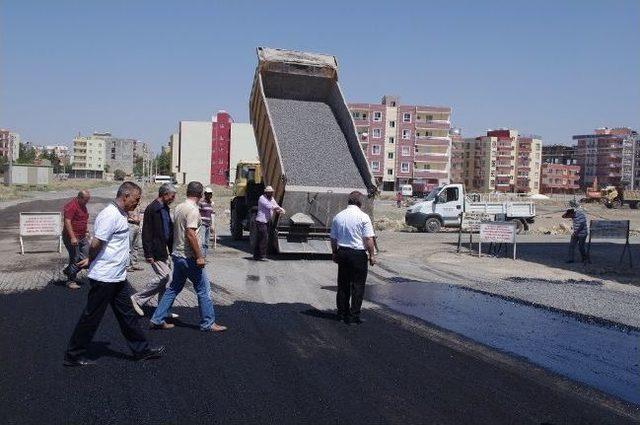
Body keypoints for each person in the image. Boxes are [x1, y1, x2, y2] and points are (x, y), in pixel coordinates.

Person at [63, 182, 164, 366]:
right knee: (91, 317)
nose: (137, 202)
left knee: (128, 315)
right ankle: (73, 355)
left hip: (116, 277)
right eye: (136, 198)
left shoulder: (121, 213)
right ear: (125, 196)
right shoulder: (109, 215)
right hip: (104, 278)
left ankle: (141, 351)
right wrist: (91, 260)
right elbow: (95, 244)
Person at [149, 181, 227, 332]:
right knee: (204, 289)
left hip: (177, 255)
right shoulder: (192, 210)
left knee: (173, 288)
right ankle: (208, 323)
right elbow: (191, 234)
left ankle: (157, 318)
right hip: (189, 257)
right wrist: (199, 256)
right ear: (200, 194)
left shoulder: (179, 207)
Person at [130, 183, 178, 317]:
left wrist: (172, 249)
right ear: (164, 194)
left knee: (166, 281)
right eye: (172, 196)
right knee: (167, 276)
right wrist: (148, 253)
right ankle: (137, 299)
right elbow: (146, 232)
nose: (173, 199)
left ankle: (163, 310)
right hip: (155, 250)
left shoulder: (165, 208)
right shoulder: (153, 208)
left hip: (164, 250)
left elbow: (168, 230)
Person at [330, 191, 376, 324]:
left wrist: (334, 253)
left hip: (343, 253)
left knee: (343, 284)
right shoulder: (363, 217)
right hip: (358, 254)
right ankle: (354, 315)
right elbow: (368, 238)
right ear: (360, 203)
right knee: (358, 285)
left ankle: (341, 313)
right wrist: (372, 255)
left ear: (348, 202)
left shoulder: (338, 217)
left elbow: (333, 238)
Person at [62, 190, 91, 290]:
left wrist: (86, 231)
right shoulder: (71, 206)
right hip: (72, 237)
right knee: (75, 258)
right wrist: (72, 237)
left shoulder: (83, 206)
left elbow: (83, 219)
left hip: (82, 236)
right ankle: (70, 280)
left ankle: (68, 270)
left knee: (87, 258)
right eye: (86, 200)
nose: (87, 202)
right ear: (80, 197)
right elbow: (67, 221)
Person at [253, 185, 285, 261]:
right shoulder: (262, 198)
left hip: (267, 221)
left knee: (260, 238)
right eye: (269, 192)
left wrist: (280, 209)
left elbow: (275, 205)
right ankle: (262, 255)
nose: (271, 194)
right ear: (266, 192)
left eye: (271, 192)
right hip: (261, 221)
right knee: (264, 237)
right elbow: (270, 206)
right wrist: (279, 209)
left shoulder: (271, 198)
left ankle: (256, 255)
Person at [563, 199, 588, 263]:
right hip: (576, 233)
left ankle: (584, 258)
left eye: (571, 216)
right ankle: (571, 259)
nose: (571, 217)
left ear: (573, 213)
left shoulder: (580, 215)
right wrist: (566, 212)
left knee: (581, 247)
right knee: (571, 246)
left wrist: (576, 232)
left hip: (582, 233)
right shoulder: (572, 214)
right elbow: (563, 216)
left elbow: (582, 225)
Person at [199, 187, 215, 256]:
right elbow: (198, 213)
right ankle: (201, 256)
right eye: (208, 194)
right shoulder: (201, 203)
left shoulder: (211, 204)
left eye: (210, 194)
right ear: (205, 194)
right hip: (202, 224)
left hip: (208, 225)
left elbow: (212, 215)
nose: (209, 195)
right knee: (202, 242)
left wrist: (212, 225)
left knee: (206, 242)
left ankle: (204, 256)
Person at [127, 207, 143, 272]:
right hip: (130, 223)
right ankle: (127, 265)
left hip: (137, 225)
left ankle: (134, 264)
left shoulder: (137, 203)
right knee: (129, 246)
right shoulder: (129, 201)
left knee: (136, 246)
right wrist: (133, 218)